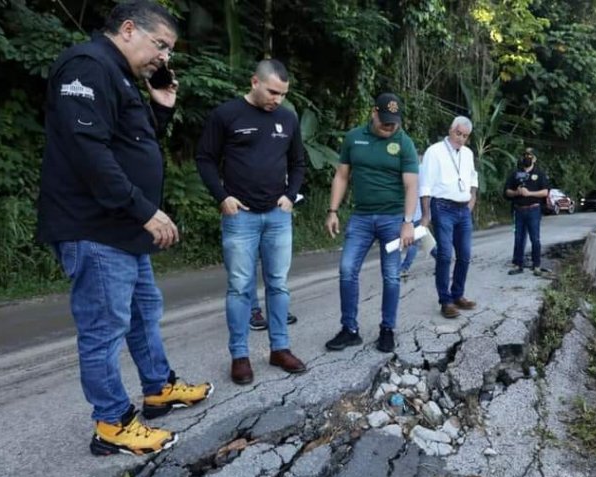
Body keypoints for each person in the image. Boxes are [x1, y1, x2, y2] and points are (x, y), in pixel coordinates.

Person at [37, 1, 212, 456]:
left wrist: (162, 108)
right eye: (161, 45)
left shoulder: (119, 75)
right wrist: (144, 211)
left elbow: (131, 143)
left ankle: (158, 388)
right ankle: (112, 422)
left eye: (169, 51)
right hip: (96, 227)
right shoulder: (88, 66)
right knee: (105, 328)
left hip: (123, 228)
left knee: (143, 314)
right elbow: (89, 152)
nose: (164, 58)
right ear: (129, 29)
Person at [196, 59, 308, 384]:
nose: (278, 99)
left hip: (277, 216)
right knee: (239, 288)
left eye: (283, 94)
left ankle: (280, 348)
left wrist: (290, 195)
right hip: (240, 217)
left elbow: (298, 162)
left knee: (278, 284)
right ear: (254, 82)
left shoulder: (287, 118)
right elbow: (204, 158)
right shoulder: (226, 115)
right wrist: (222, 197)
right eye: (273, 92)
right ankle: (240, 356)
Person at [324, 92, 418, 353]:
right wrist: (332, 211)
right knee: (347, 269)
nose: (389, 127)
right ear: (373, 113)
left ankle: (387, 329)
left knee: (391, 276)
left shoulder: (404, 143)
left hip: (392, 219)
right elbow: (342, 176)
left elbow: (411, 185)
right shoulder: (354, 138)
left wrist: (408, 222)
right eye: (385, 121)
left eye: (394, 122)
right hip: (361, 218)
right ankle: (349, 329)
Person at [419, 116, 479, 318]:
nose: (461, 138)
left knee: (465, 254)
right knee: (445, 255)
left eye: (465, 136)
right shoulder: (434, 151)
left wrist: (472, 200)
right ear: (450, 130)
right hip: (442, 207)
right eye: (458, 133)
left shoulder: (468, 154)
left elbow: (473, 178)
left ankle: (458, 295)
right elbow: (425, 185)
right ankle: (446, 301)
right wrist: (426, 214)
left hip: (463, 209)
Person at [504, 148, 550, 275]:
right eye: (525, 155)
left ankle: (537, 265)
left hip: (533, 210)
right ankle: (518, 264)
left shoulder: (539, 174)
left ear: (534, 159)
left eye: (530, 156)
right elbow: (507, 191)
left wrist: (529, 193)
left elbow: (545, 192)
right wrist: (516, 192)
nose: (527, 158)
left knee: (535, 238)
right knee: (518, 238)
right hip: (519, 210)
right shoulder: (515, 174)